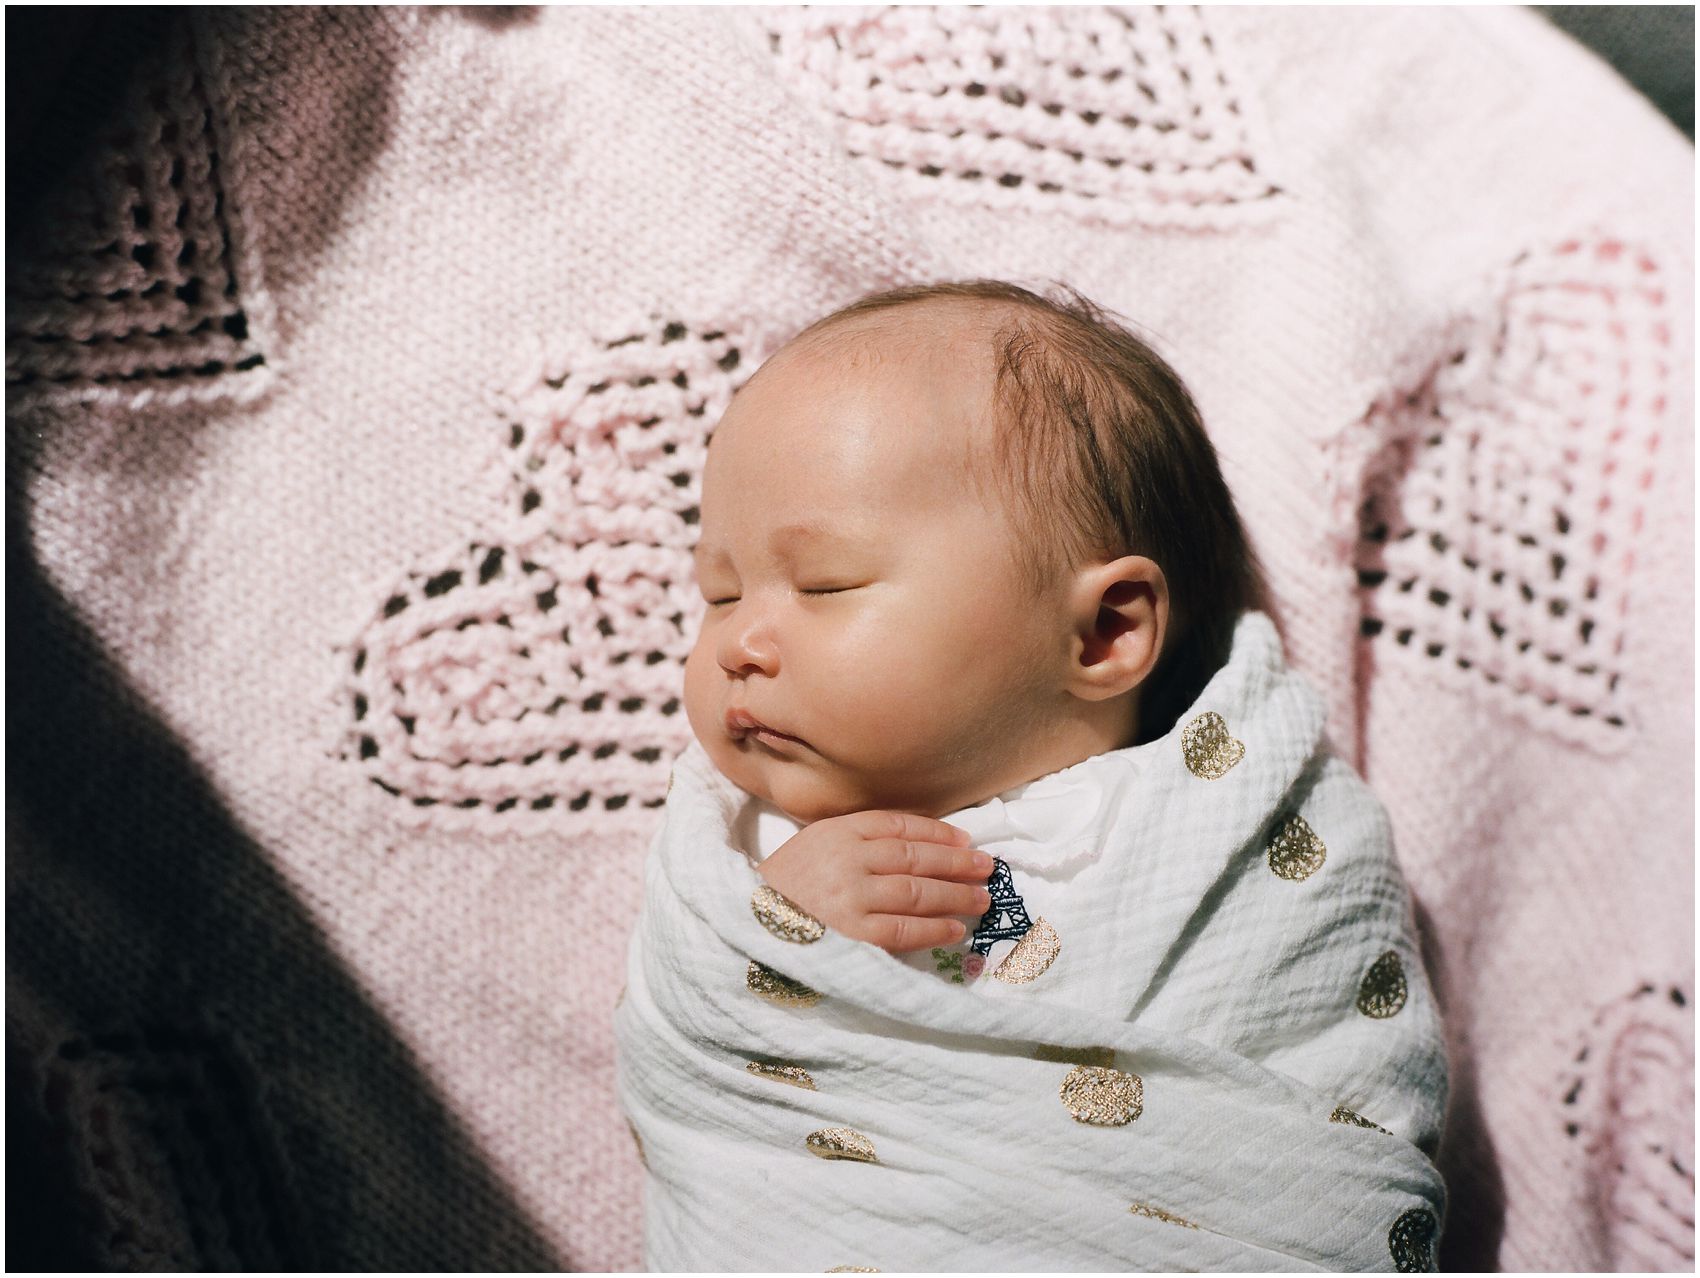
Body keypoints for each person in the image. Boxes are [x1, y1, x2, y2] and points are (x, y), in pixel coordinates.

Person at [615, 280, 1448, 1272]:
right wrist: (778, 942)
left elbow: (1338, 1121)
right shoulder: (745, 853)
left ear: (1102, 631)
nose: (738, 643)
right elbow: (687, 1048)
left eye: (825, 585)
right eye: (717, 592)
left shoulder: (1238, 827)